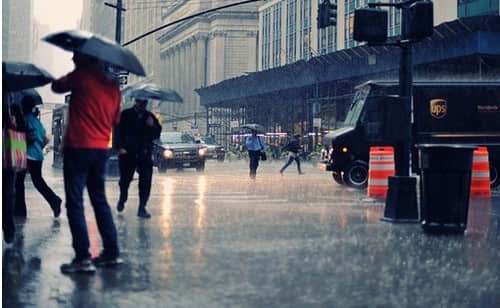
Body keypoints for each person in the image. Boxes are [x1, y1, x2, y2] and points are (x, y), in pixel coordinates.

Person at [52, 52, 122, 274]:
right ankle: (111, 253)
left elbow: (56, 86)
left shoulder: (81, 76)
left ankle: (83, 257)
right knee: (99, 200)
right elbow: (115, 120)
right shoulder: (113, 87)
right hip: (101, 149)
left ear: (86, 59)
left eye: (76, 57)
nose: (73, 59)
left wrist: (74, 75)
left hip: (79, 147)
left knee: (74, 202)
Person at [15, 97, 62, 219]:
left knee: (19, 182)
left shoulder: (25, 120)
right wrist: (39, 147)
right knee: (37, 181)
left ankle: (20, 211)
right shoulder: (36, 121)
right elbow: (46, 137)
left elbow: (28, 137)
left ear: (24, 107)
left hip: (28, 155)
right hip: (37, 155)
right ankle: (54, 200)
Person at [115, 98, 162, 218]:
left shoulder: (149, 116)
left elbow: (157, 134)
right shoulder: (125, 114)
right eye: (141, 102)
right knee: (125, 180)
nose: (144, 104)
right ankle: (122, 198)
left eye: (145, 102)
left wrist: (152, 126)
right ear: (136, 102)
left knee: (146, 181)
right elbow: (117, 131)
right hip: (128, 152)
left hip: (144, 153)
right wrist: (120, 147)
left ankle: (142, 208)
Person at [2, 97, 26, 243]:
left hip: (6, 157)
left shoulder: (9, 111)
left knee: (8, 192)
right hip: (7, 158)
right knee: (8, 192)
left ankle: (9, 228)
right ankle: (9, 229)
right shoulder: (11, 109)